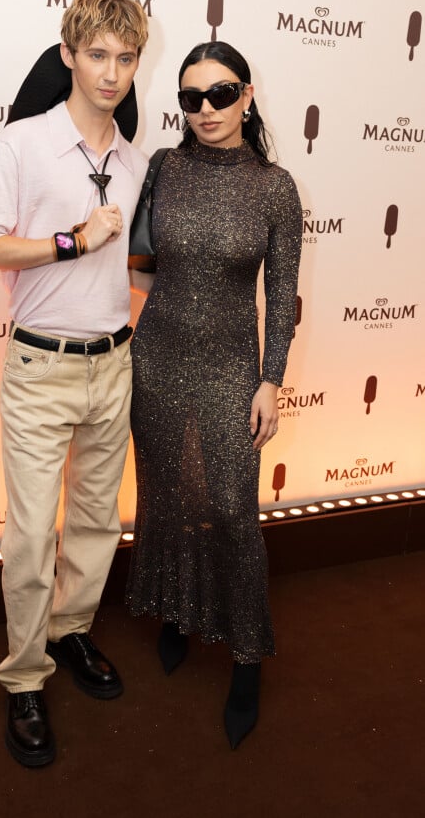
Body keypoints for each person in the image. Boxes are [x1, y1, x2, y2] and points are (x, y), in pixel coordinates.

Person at [0, 0, 149, 768]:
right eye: (98, 54)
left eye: (126, 58)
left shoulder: (137, 160)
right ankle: (24, 676)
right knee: (32, 537)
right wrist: (71, 241)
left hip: (114, 362)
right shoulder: (22, 144)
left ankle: (71, 634)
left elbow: (135, 262)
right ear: (69, 55)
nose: (111, 73)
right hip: (39, 364)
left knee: (97, 525)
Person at [125, 41, 302, 750]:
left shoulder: (275, 187)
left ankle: (247, 657)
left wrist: (271, 378)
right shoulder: (163, 169)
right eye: (191, 98)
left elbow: (282, 292)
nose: (206, 111)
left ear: (248, 95)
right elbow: (139, 258)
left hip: (234, 362)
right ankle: (175, 612)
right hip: (156, 355)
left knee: (231, 506)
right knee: (166, 492)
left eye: (221, 94)